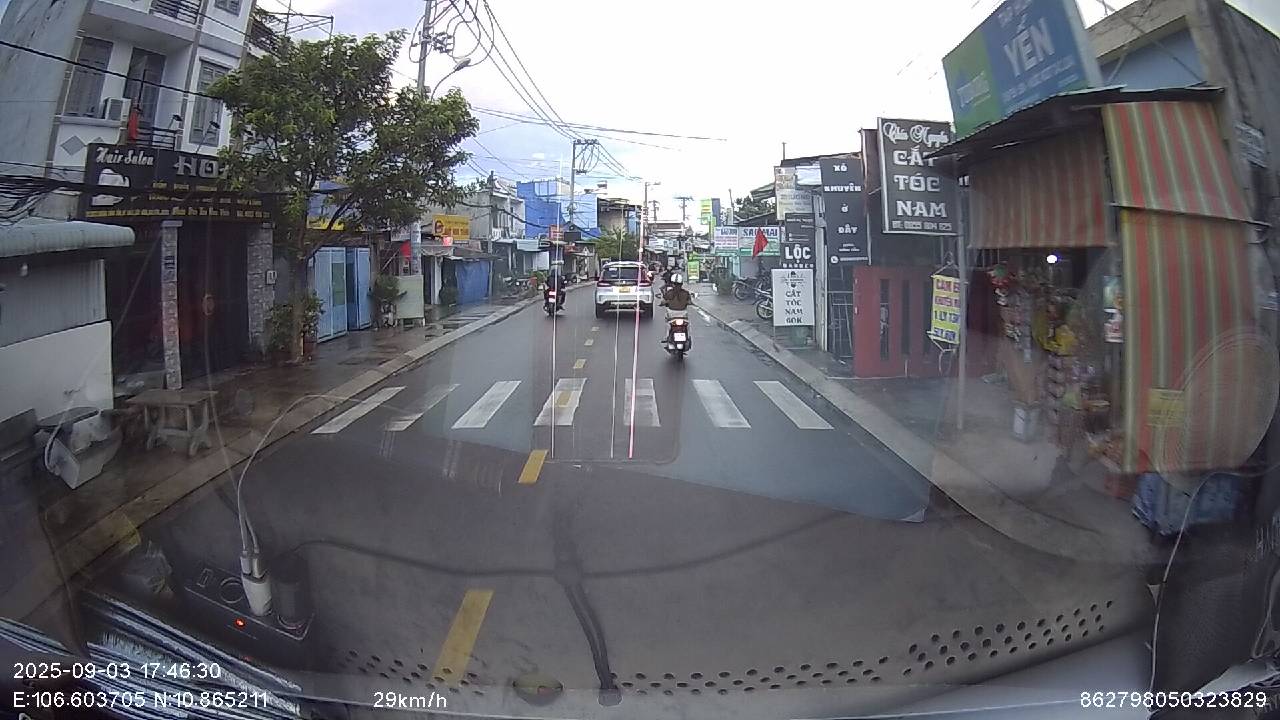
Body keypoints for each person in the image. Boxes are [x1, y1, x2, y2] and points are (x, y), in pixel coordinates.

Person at [660, 272, 694, 351]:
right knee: (687, 325)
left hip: (671, 314)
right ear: (681, 283)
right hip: (683, 314)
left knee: (668, 324)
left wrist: (664, 303)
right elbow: (690, 302)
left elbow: (663, 301)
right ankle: (687, 337)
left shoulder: (669, 293)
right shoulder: (686, 293)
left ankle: (667, 337)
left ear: (672, 283)